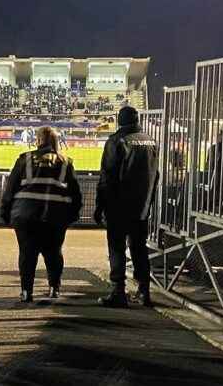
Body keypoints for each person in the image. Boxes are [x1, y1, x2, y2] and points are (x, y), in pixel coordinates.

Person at [1, 127, 82, 302]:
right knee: (53, 253)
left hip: (25, 215)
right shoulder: (66, 162)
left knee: (27, 253)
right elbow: (76, 194)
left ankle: (26, 291)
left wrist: (5, 212)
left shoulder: (25, 159)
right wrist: (72, 216)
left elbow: (10, 189)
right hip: (55, 217)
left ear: (38, 141)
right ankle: (54, 288)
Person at [94, 106, 159, 308]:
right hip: (142, 206)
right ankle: (144, 290)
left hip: (119, 205)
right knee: (139, 248)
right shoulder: (150, 140)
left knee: (117, 248)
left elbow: (107, 176)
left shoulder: (117, 141)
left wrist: (99, 205)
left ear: (119, 121)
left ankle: (118, 291)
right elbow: (155, 175)